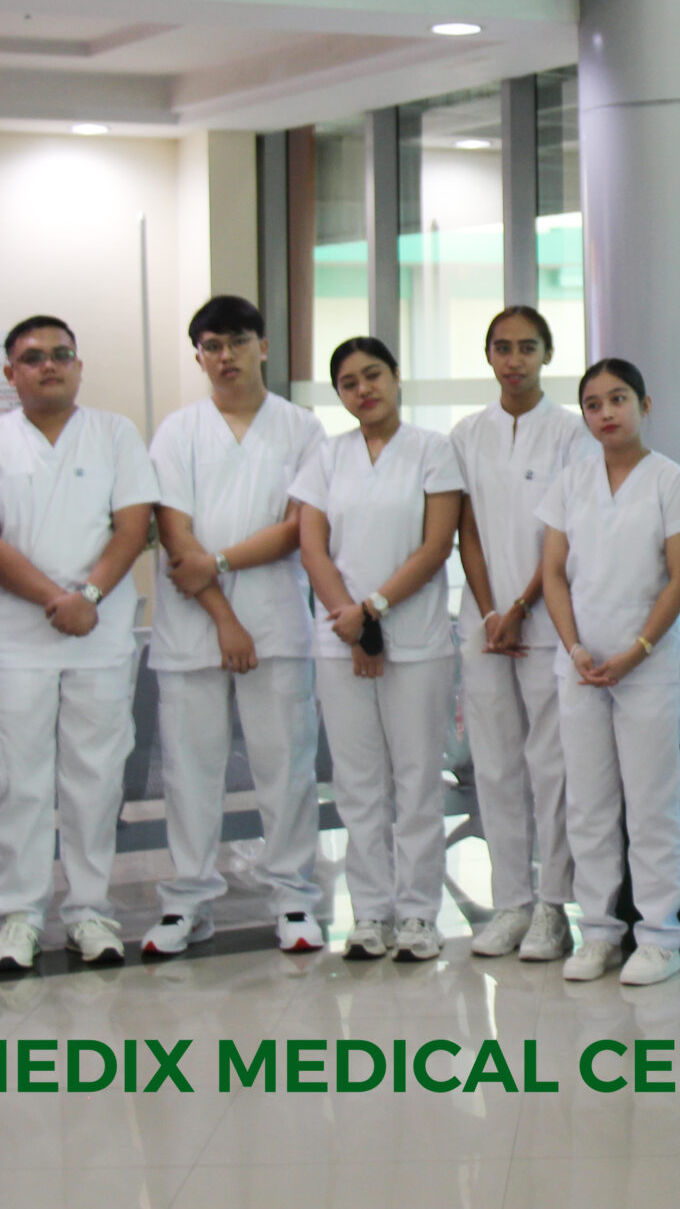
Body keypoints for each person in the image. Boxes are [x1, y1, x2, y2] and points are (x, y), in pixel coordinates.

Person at [0, 316, 159, 973]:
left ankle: (89, 909)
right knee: (16, 781)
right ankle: (19, 915)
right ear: (10, 373)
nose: (49, 365)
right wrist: (56, 599)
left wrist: (88, 596)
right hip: (16, 642)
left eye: (62, 354)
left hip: (98, 636)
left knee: (95, 779)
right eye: (33, 357)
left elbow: (133, 526)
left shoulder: (114, 433)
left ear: (78, 365)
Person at [142, 298, 327, 960]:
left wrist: (217, 564)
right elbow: (174, 532)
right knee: (191, 772)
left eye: (238, 342)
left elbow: (298, 527)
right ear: (198, 356)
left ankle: (294, 897)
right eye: (212, 345)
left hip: (275, 624)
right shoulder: (178, 430)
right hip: (194, 627)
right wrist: (224, 617)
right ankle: (188, 901)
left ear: (263, 347)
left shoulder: (301, 428)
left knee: (286, 767)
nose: (226, 356)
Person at [294, 337, 465, 962]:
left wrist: (371, 612)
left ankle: (418, 913)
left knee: (417, 780)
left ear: (396, 376)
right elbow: (313, 548)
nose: (363, 390)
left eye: (373, 375)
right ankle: (370, 912)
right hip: (339, 641)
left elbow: (436, 545)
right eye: (349, 383)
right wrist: (349, 619)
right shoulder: (326, 456)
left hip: (414, 641)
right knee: (357, 782)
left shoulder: (432, 450)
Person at [538, 358, 680, 987]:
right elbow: (554, 573)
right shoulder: (570, 482)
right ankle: (600, 932)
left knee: (653, 803)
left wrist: (637, 650)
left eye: (618, 399)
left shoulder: (672, 481)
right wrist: (575, 647)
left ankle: (658, 935)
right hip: (580, 668)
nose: (605, 413)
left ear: (644, 404)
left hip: (648, 667)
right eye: (592, 404)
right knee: (588, 803)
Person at [449, 306, 591, 962]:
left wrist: (521, 605)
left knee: (550, 763)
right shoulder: (467, 434)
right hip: (485, 626)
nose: (515, 360)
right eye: (503, 347)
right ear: (488, 355)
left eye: (527, 347)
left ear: (547, 354)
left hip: (546, 618)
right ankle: (510, 900)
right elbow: (467, 529)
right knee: (495, 762)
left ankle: (553, 906)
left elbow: (563, 532)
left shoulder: (570, 432)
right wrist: (489, 612)